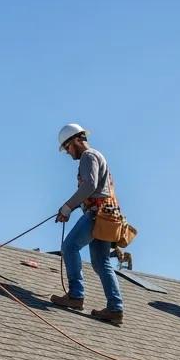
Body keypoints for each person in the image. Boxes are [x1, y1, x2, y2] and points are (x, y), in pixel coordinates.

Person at [50, 123, 125, 327]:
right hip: (108, 215)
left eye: (67, 148)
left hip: (97, 214)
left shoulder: (88, 157)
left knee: (69, 247)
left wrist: (67, 207)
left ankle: (76, 295)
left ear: (75, 140)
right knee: (102, 263)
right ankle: (115, 308)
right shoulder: (98, 156)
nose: (67, 152)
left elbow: (90, 185)